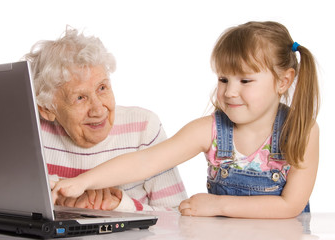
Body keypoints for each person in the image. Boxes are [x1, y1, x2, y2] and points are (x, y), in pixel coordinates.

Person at [51, 21, 320, 218]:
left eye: (245, 80)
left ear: (283, 81)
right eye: (223, 79)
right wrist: (83, 182)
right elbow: (146, 161)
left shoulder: (302, 131)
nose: (229, 91)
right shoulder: (211, 130)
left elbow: (290, 206)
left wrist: (218, 205)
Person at [23, 27, 187, 212]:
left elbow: (179, 216)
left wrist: (121, 205)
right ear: (47, 109)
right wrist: (58, 195)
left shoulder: (143, 128)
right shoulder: (32, 131)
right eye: (80, 98)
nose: (98, 109)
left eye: (102, 88)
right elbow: (8, 201)